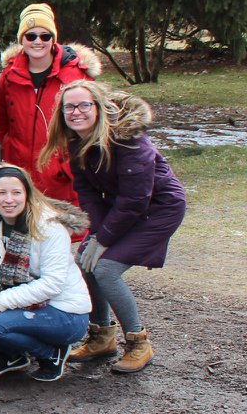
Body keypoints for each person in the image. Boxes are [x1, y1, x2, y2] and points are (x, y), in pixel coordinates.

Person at [45, 81, 187, 374]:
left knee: (107, 270)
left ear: (98, 107)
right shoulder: (77, 141)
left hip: (159, 208)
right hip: (122, 209)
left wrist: (106, 239)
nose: (76, 112)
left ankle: (138, 342)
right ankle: (102, 337)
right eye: (69, 107)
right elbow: (87, 192)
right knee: (85, 262)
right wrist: (96, 233)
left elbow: (136, 198)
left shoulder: (128, 140)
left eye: (84, 105)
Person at [0, 165, 91, 381]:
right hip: (24, 301)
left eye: (16, 192)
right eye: (1, 193)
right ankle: (13, 354)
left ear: (28, 194)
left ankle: (52, 354)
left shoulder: (48, 228)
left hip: (63, 311)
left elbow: (52, 284)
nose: (8, 200)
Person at [0, 2, 100, 205]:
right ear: (22, 39)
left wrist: (67, 165)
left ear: (53, 39)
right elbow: (0, 122)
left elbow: (93, 126)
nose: (37, 42)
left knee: (66, 233)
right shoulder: (8, 77)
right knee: (24, 233)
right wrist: (10, 152)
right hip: (20, 177)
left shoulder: (77, 77)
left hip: (62, 180)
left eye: (45, 36)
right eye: (30, 36)